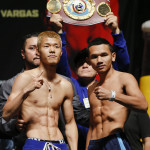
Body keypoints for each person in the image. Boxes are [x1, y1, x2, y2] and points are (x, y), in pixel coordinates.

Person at [49, 12, 130, 150]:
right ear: (74, 68)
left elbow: (123, 64)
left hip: (109, 142)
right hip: (77, 145)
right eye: (80, 63)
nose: (85, 65)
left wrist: (116, 32)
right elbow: (61, 65)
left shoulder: (109, 83)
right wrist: (59, 32)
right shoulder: (70, 84)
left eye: (88, 62)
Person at [0, 30, 78, 149]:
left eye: (56, 47)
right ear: (38, 51)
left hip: (60, 144)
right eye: (47, 46)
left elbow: (70, 123)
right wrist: (26, 90)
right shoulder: (24, 78)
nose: (52, 50)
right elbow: (6, 114)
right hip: (34, 142)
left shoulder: (66, 84)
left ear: (61, 52)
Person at [85, 37, 148, 150]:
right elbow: (92, 124)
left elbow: (143, 105)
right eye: (94, 56)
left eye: (104, 55)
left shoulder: (124, 78)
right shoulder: (91, 88)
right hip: (94, 143)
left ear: (113, 56)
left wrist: (112, 96)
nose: (99, 60)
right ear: (89, 61)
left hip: (114, 141)